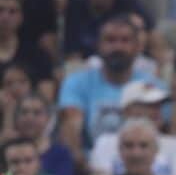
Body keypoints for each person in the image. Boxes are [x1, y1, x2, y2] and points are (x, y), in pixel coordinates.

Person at [57, 15, 167, 154]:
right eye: (110, 40)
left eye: (125, 40)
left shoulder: (155, 86)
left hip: (142, 158)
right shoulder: (76, 83)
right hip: (90, 160)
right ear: (98, 45)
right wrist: (84, 163)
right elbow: (71, 128)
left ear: (137, 47)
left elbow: (164, 133)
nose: (118, 47)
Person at [89, 82, 176, 175]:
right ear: (127, 111)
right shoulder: (105, 142)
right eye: (149, 105)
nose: (157, 111)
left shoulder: (175, 144)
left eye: (159, 105)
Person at [0, 0, 55, 97]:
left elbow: (47, 95)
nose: (5, 17)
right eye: (0, 10)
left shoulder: (37, 55)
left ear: (21, 17)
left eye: (12, 12)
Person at [14, 93, 74, 175]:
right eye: (24, 112)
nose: (30, 117)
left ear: (48, 118)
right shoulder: (5, 149)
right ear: (16, 117)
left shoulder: (61, 153)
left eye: (37, 113)